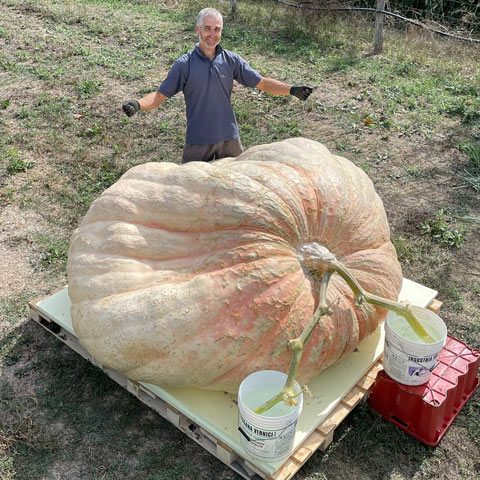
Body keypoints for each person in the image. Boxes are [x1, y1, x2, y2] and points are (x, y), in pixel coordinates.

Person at [122, 7, 313, 163]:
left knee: (235, 193)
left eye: (217, 29)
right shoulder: (184, 64)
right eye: (207, 28)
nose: (212, 34)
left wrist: (292, 90)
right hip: (198, 142)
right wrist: (139, 104)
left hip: (229, 139)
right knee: (193, 195)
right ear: (197, 30)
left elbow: (261, 82)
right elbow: (159, 96)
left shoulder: (231, 60)